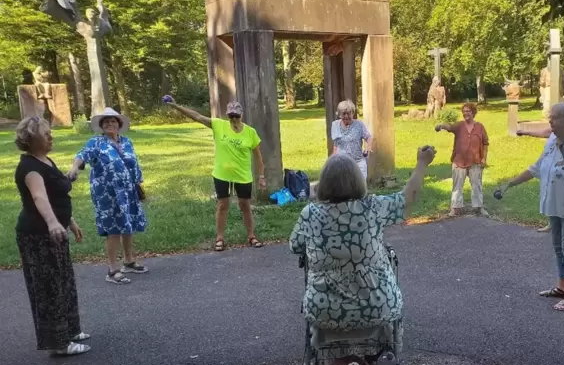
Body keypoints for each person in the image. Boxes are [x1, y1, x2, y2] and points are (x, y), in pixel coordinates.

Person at [289, 146, 437, 331]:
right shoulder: (373, 208)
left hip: (324, 311)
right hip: (377, 307)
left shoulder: (310, 214)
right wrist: (422, 163)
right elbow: (407, 199)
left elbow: (295, 246)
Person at [497, 102, 564, 311]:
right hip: (553, 204)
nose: (550, 120)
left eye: (554, 117)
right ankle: (561, 286)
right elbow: (536, 168)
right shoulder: (552, 141)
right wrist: (510, 184)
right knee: (558, 247)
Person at [15, 117, 90, 356]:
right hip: (38, 235)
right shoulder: (30, 168)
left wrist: (70, 222)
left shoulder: (45, 160)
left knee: (64, 281)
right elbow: (39, 198)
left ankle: (70, 330)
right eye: (45, 134)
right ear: (31, 138)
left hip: (54, 231)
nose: (51, 137)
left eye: (50, 133)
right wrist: (52, 223)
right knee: (50, 287)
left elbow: (57, 196)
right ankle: (59, 344)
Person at [162, 96, 267, 251]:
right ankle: (219, 238)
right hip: (222, 174)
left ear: (241, 115)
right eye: (231, 116)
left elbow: (258, 157)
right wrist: (176, 106)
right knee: (222, 205)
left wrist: (262, 176)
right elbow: (196, 116)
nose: (234, 119)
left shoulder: (250, 133)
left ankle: (251, 236)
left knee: (245, 205)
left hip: (243, 175)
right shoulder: (219, 125)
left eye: (236, 116)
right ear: (227, 115)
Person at [68, 108, 147, 285]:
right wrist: (74, 168)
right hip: (107, 194)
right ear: (101, 126)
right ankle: (113, 270)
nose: (109, 124)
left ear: (119, 124)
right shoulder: (96, 143)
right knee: (113, 230)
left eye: (113, 121)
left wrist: (138, 185)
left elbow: (134, 165)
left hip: (128, 191)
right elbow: (81, 155)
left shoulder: (127, 142)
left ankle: (128, 261)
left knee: (128, 225)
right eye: (106, 122)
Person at [435, 102, 489, 217]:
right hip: (459, 161)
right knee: (457, 185)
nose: (466, 114)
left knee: (477, 185)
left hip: (475, 161)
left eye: (468, 111)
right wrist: (441, 125)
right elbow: (449, 127)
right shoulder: (459, 126)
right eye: (464, 112)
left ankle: (479, 208)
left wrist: (484, 158)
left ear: (473, 113)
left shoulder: (480, 127)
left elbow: (485, 143)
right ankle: (455, 208)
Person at [517, 126, 555, 232]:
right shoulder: (554, 132)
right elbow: (543, 132)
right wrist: (525, 131)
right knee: (549, 196)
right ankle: (552, 224)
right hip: (549, 169)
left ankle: (559, 226)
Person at [331, 99, 373, 181]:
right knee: (344, 186)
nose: (346, 116)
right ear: (339, 114)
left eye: (349, 113)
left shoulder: (359, 125)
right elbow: (336, 145)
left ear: (353, 113)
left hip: (358, 161)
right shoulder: (335, 125)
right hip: (342, 163)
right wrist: (333, 160)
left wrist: (368, 147)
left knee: (360, 184)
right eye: (343, 114)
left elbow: (368, 137)